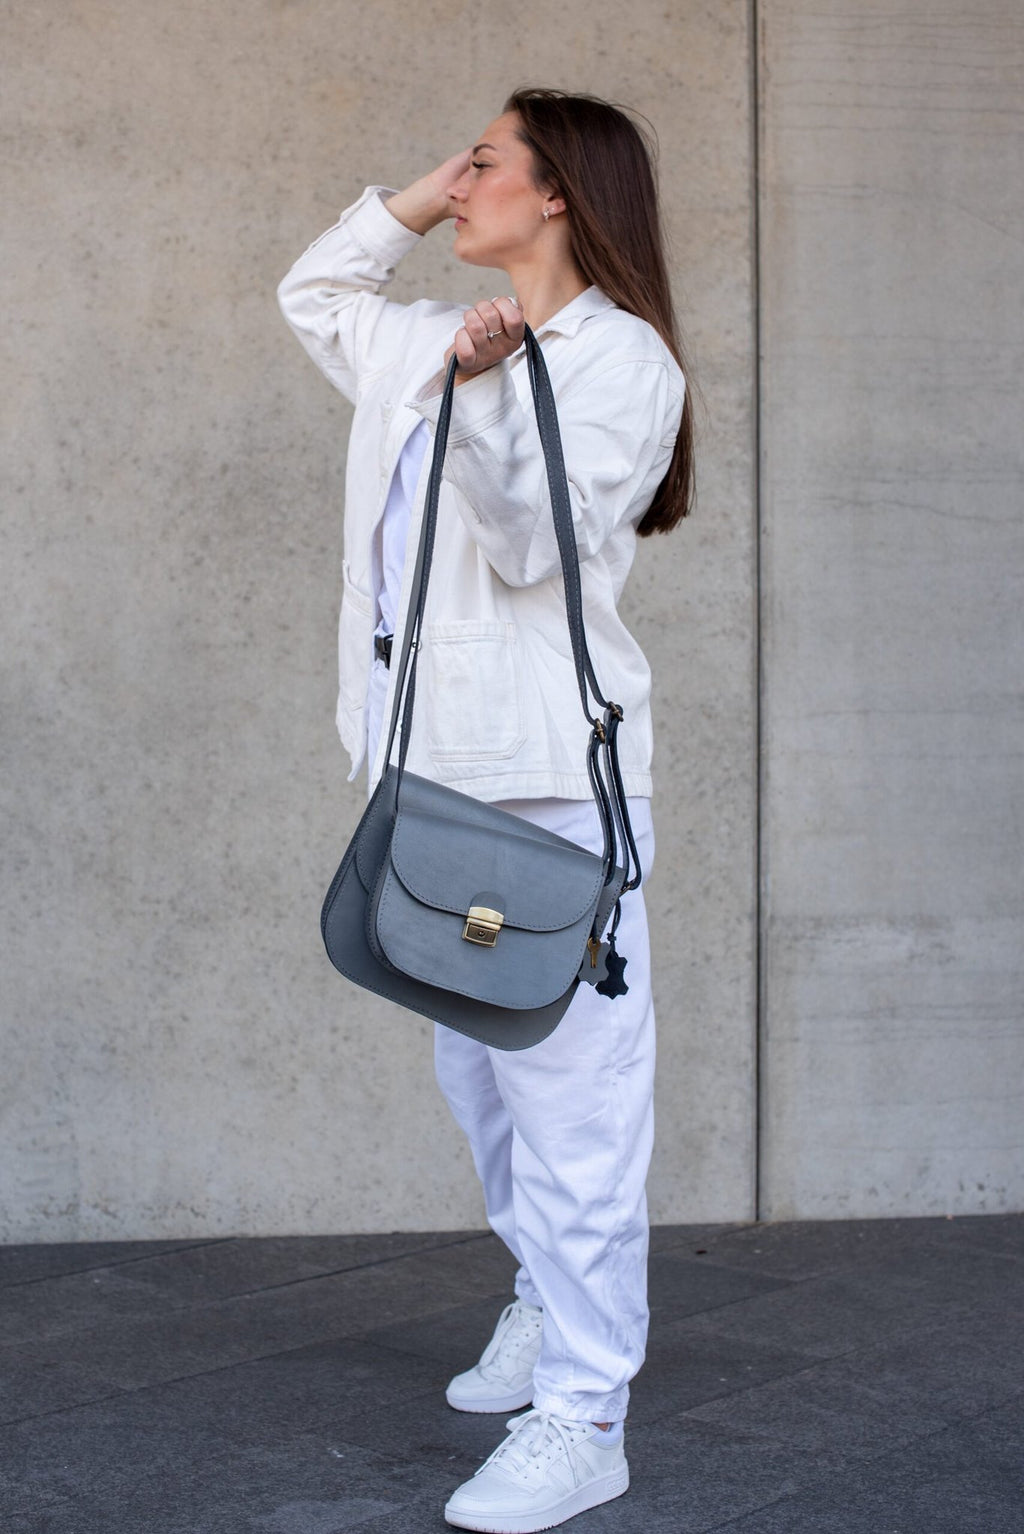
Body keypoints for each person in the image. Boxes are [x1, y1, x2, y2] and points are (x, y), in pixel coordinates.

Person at [278, 86, 693, 1534]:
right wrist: (411, 189)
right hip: (432, 779)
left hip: (549, 794)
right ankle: (540, 1295)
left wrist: (493, 387)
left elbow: (533, 547)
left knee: (576, 1109)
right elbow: (313, 286)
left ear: (564, 192)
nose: (463, 188)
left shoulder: (621, 363)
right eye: (460, 163)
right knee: (484, 1084)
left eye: (489, 164)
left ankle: (588, 1415)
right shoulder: (413, 342)